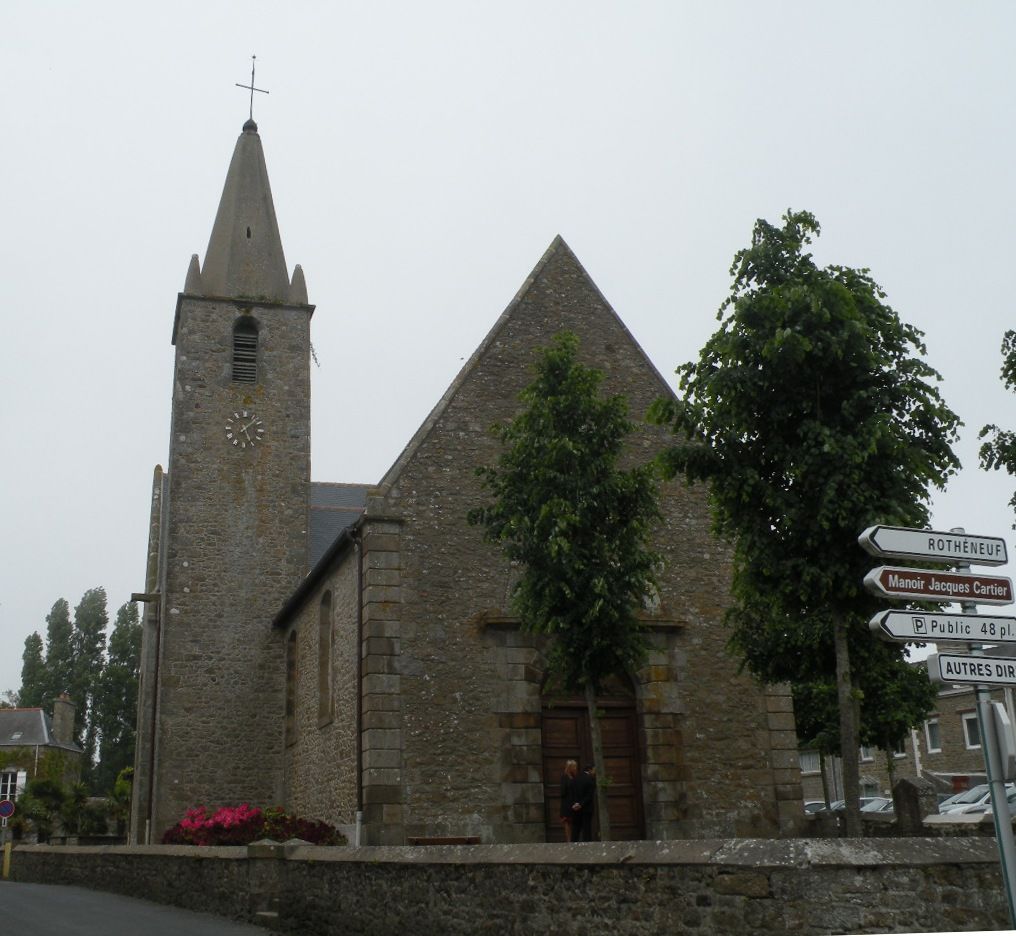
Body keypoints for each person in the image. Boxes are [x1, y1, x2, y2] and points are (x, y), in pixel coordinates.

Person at [570, 765, 596, 842]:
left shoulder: (575, 779)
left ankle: (573, 844)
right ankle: (587, 844)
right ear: (590, 770)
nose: (595, 773)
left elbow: (571, 793)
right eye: (594, 770)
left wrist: (575, 804)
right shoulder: (590, 779)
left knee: (575, 828)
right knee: (586, 828)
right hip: (586, 808)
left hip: (575, 808)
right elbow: (589, 796)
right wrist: (581, 804)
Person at [559, 759, 578, 842]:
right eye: (574, 766)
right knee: (567, 822)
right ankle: (569, 840)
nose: (575, 768)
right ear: (570, 767)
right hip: (566, 803)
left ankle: (574, 839)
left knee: (574, 822)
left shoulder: (574, 777)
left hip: (573, 802)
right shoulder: (564, 777)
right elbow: (562, 791)